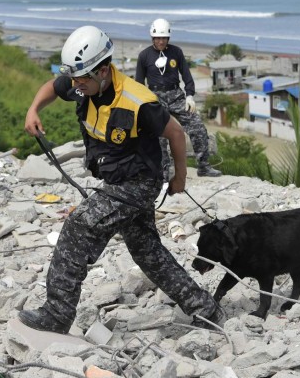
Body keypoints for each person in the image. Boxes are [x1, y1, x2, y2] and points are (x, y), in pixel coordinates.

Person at [21, 25, 223, 334]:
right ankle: (205, 309)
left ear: (103, 71)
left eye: (82, 79)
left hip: (140, 182)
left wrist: (180, 177)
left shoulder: (138, 101)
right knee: (147, 252)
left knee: (79, 226)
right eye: (74, 79)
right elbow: (54, 85)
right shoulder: (82, 84)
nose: (76, 86)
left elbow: (176, 133)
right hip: (116, 181)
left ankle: (57, 314)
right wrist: (33, 109)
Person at [135, 18, 222, 178]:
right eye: (158, 38)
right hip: (155, 98)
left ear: (168, 37)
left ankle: (204, 166)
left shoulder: (176, 52)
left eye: (164, 38)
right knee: (159, 135)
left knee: (198, 127)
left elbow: (187, 76)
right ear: (152, 37)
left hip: (177, 96)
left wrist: (190, 95)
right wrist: (142, 105)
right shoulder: (144, 56)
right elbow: (139, 84)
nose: (161, 41)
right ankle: (164, 171)